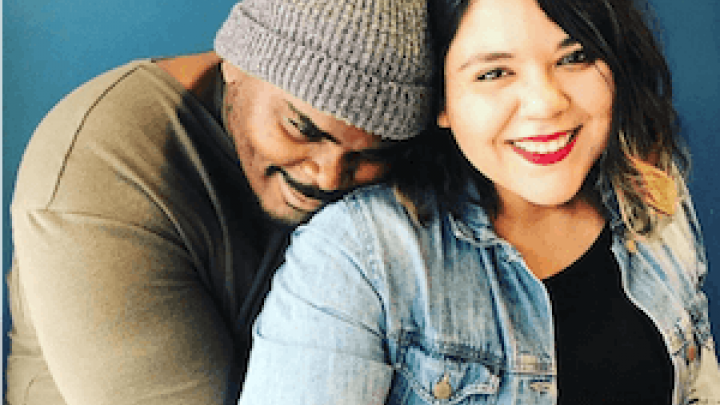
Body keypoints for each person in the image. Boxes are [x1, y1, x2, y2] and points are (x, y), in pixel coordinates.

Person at [236, 0, 720, 403]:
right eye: (494, 73)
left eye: (574, 57)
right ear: (441, 101)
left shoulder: (648, 188)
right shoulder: (358, 255)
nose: (546, 102)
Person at [4, 0, 435, 404]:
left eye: (370, 154)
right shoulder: (102, 170)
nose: (328, 175)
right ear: (235, 66)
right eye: (302, 129)